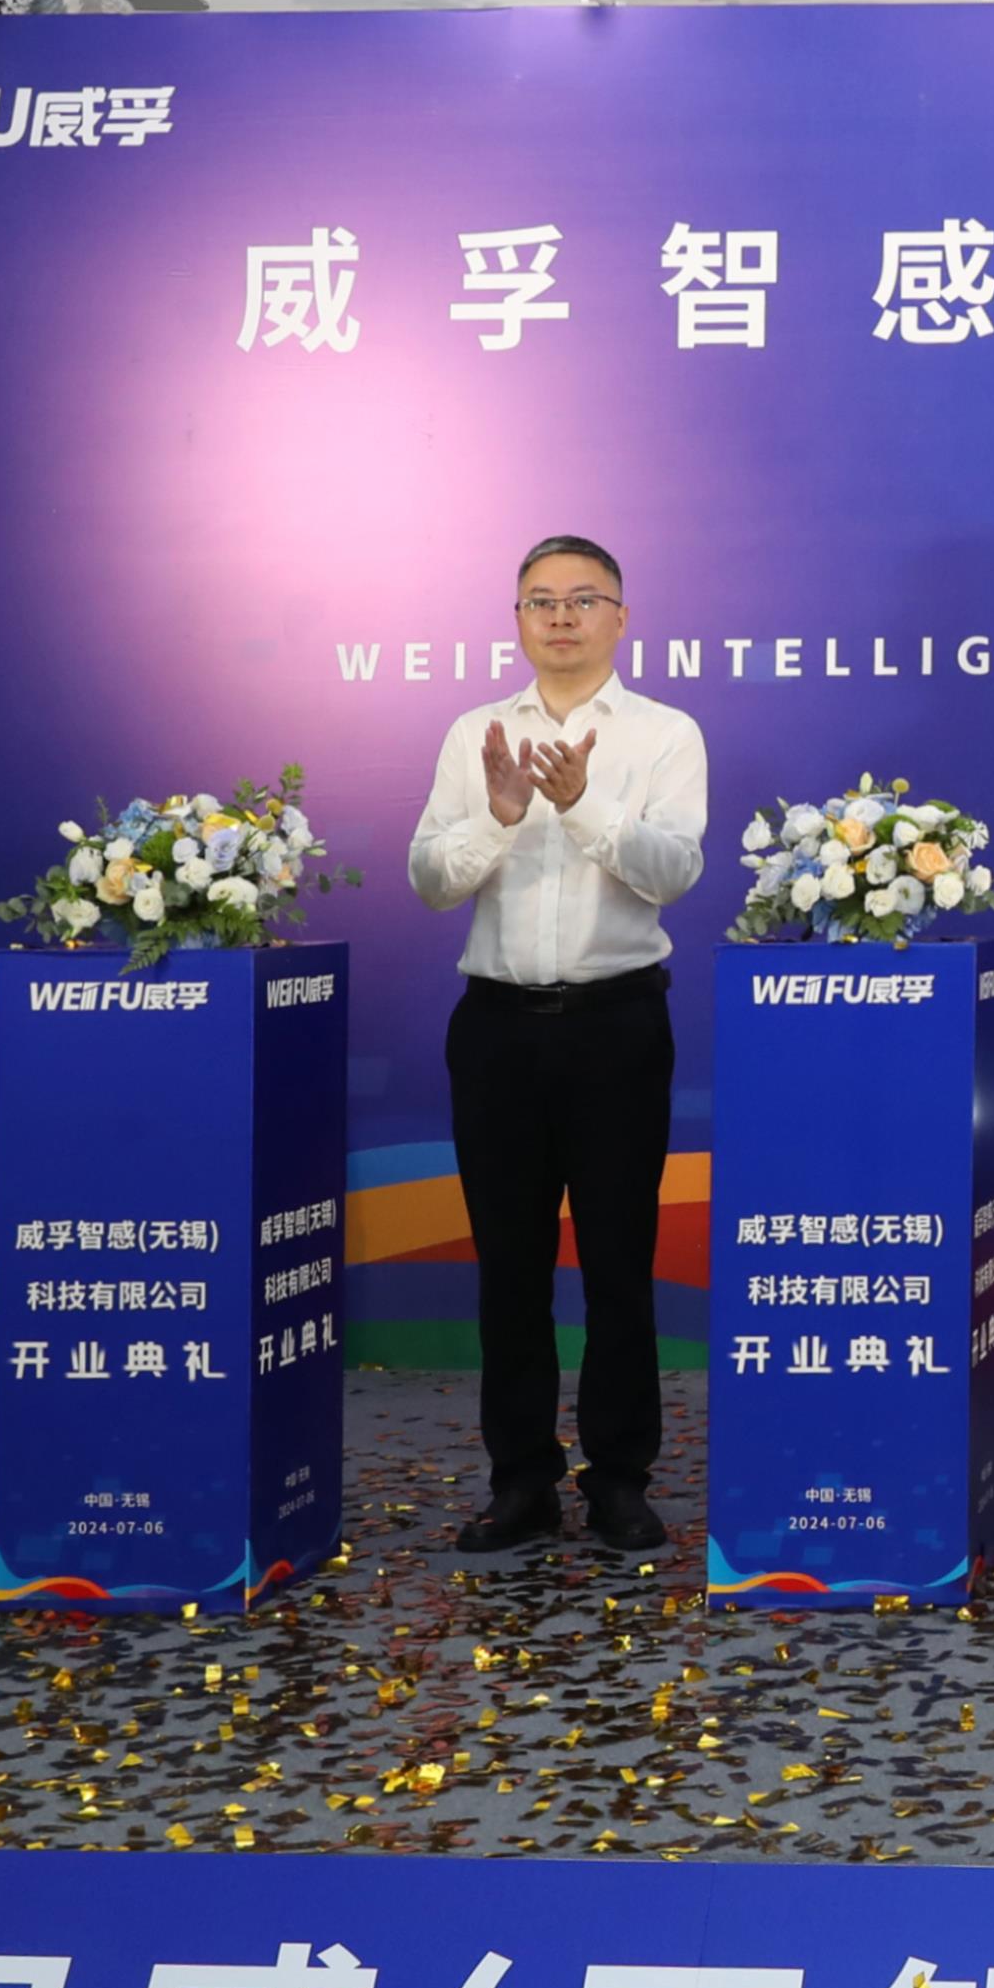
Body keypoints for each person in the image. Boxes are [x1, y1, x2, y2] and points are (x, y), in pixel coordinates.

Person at [408, 535, 712, 1555]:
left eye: (583, 598)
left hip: (616, 1024)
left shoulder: (665, 733)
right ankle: (521, 1480)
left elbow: (673, 872)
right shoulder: (475, 732)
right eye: (541, 600)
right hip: (496, 1028)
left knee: (620, 1262)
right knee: (510, 1267)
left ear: (620, 617)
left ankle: (618, 1477)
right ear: (518, 620)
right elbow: (429, 879)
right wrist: (498, 819)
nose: (562, 616)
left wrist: (582, 806)